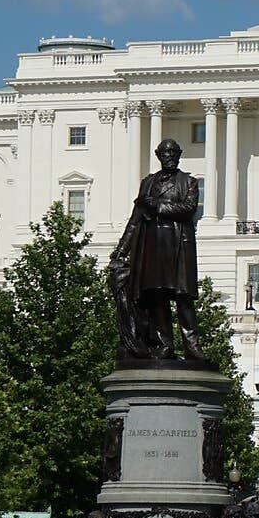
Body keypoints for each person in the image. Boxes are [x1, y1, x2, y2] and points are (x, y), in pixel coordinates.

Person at [109, 138, 205, 362]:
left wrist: (158, 206)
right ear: (158, 156)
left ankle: (192, 346)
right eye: (165, 153)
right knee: (157, 298)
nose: (169, 157)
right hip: (152, 247)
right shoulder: (148, 183)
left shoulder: (188, 182)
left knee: (183, 299)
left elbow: (188, 208)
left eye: (173, 153)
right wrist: (121, 251)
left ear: (179, 155)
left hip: (178, 245)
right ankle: (164, 345)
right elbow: (135, 220)